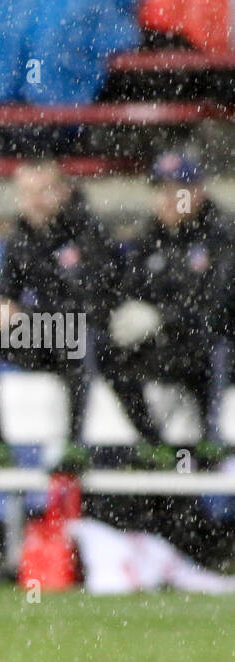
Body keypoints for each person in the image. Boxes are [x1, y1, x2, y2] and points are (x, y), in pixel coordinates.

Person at [0, 161, 119, 470]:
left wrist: (25, 313)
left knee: (76, 335)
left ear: (63, 191)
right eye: (26, 193)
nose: (34, 201)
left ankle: (75, 447)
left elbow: (91, 305)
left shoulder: (88, 231)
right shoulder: (22, 236)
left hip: (93, 339)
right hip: (48, 337)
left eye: (43, 191)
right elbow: (6, 292)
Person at [100, 152, 233, 467]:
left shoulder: (222, 236)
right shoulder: (150, 239)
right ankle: (154, 444)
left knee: (210, 350)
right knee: (108, 351)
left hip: (211, 350)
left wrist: (163, 317)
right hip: (171, 349)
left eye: (178, 191)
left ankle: (203, 449)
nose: (168, 199)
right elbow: (127, 291)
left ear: (198, 192)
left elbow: (215, 311)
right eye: (162, 190)